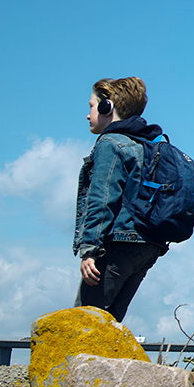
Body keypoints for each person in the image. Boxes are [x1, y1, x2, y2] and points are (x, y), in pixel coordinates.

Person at [73, 77, 168, 322]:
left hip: (119, 243)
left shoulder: (110, 143)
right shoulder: (147, 144)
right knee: (111, 324)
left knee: (85, 322)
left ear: (107, 107)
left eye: (91, 106)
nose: (87, 115)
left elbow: (102, 199)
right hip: (148, 246)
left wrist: (89, 249)